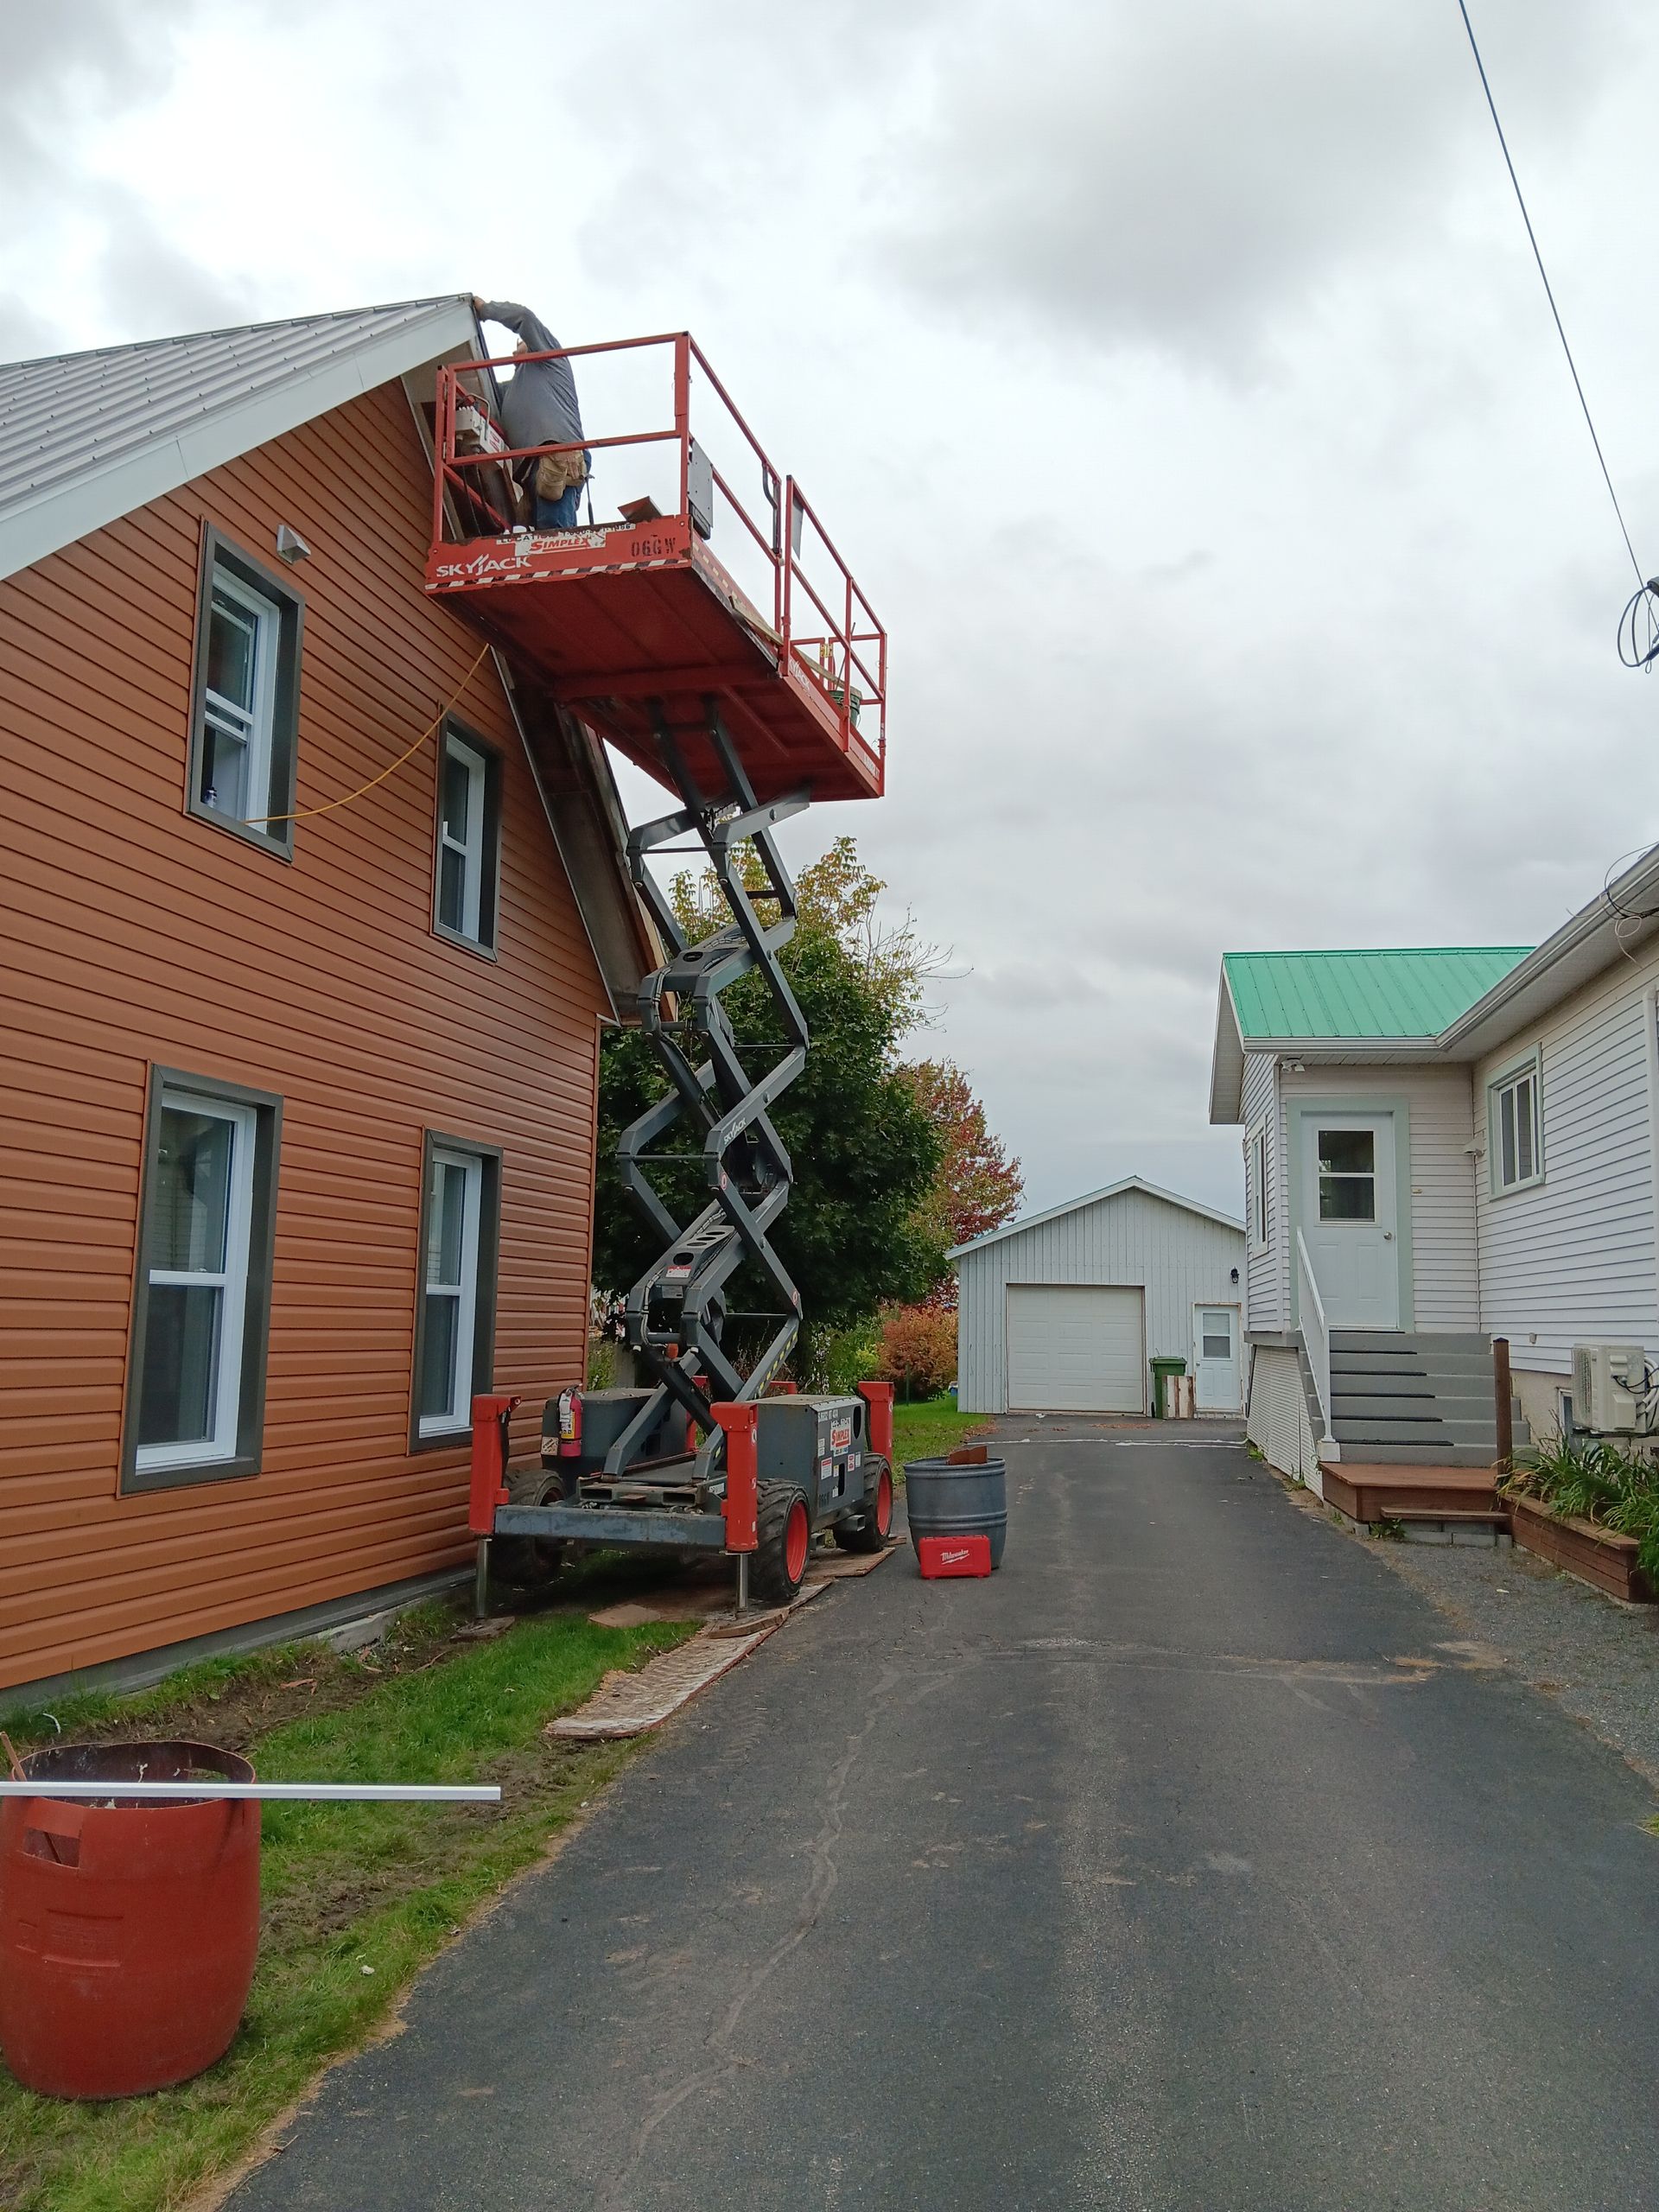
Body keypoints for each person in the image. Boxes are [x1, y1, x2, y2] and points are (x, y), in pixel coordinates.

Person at [471, 298, 592, 531]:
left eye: (522, 342)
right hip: (528, 471)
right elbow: (480, 391)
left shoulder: (550, 358)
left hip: (556, 453)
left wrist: (485, 309)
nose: (515, 349)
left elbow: (524, 318)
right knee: (537, 535)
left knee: (553, 530)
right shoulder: (509, 390)